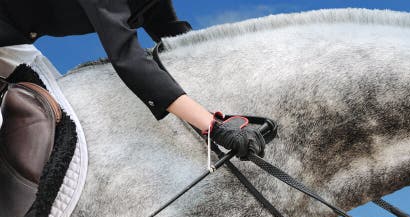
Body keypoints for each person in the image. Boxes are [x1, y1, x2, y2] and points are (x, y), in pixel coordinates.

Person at [0, 0, 265, 159]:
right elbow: (128, 58)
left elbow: (170, 35)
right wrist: (213, 128)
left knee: (57, 124)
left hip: (13, 42)